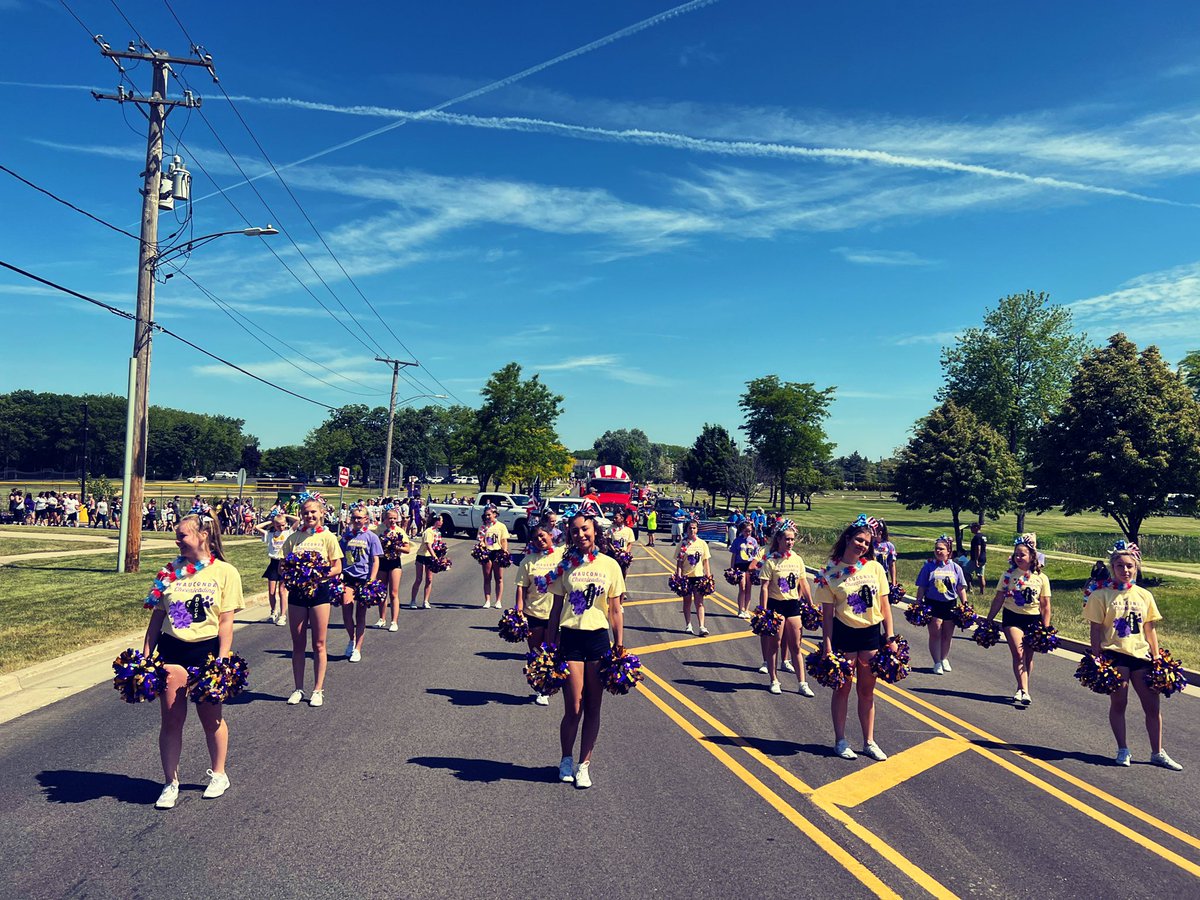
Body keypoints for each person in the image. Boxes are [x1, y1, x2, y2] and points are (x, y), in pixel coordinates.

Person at [141, 513, 244, 808]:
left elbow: (226, 622)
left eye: (182, 535)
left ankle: (219, 774)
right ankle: (170, 782)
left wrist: (222, 661)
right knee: (171, 719)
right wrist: (146, 656)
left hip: (206, 652)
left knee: (211, 718)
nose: (177, 540)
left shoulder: (225, 572)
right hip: (173, 650)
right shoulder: (168, 572)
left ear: (202, 536)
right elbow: (157, 617)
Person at [1084, 542, 1182, 770]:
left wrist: (1156, 657)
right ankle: (1123, 749)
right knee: (1120, 703)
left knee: (1152, 707)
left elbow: (1150, 628)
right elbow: (1096, 629)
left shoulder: (1144, 595)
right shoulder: (1100, 596)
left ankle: (1157, 752)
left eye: (1129, 566)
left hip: (1142, 657)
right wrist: (1097, 658)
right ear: (1112, 568)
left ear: (1136, 567)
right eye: (1120, 566)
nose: (1125, 570)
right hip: (1115, 655)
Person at [547, 511, 627, 789]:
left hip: (597, 641)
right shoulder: (565, 565)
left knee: (594, 706)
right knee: (574, 707)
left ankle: (584, 765)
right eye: (575, 531)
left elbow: (615, 609)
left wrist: (619, 646)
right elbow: (556, 610)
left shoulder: (610, 565)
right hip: (570, 639)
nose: (580, 535)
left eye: (585, 529)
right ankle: (566, 759)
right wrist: (548, 646)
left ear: (596, 531)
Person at [815, 516, 897, 762]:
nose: (862, 545)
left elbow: (885, 605)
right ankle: (840, 741)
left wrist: (890, 636)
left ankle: (869, 741)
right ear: (848, 538)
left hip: (871, 634)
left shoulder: (874, 567)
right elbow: (827, 616)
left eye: (867, 543)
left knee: (867, 691)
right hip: (845, 634)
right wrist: (828, 646)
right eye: (859, 540)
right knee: (842, 690)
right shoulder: (829, 572)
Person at [283, 498, 344, 707]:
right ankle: (298, 688)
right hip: (297, 595)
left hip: (320, 592)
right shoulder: (293, 538)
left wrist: (317, 574)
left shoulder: (328, 537)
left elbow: (337, 567)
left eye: (313, 513)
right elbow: (283, 566)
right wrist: (293, 574)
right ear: (301, 514)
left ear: (322, 514)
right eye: (306, 512)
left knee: (319, 643)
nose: (310, 516)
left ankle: (318, 689)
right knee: (298, 643)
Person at [982, 535, 1052, 706]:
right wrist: (989, 619)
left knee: (1028, 657)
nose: (1019, 558)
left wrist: (1046, 628)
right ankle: (1024, 691)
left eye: (1022, 555)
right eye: (1016, 554)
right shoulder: (1008, 575)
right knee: (1018, 653)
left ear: (1031, 557)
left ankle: (1021, 687)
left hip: (1033, 619)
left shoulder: (1041, 578)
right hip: (1012, 617)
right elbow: (998, 599)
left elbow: (1045, 605)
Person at [757, 523, 816, 697]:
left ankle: (802, 683)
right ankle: (774, 680)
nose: (790, 542)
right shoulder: (771, 561)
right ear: (779, 540)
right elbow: (765, 587)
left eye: (792, 539)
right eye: (787, 539)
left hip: (792, 605)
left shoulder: (797, 559)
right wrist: (764, 610)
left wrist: (811, 604)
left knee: (796, 646)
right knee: (774, 644)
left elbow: (803, 582)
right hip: (776, 606)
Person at [514, 524, 566, 705]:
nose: (540, 540)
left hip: (556, 615)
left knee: (553, 653)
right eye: (536, 538)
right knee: (536, 654)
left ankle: (550, 685)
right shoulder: (528, 561)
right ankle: (541, 689)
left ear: (551, 535)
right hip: (534, 613)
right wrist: (519, 611)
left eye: (543, 536)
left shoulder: (561, 554)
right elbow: (521, 587)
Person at [914, 535, 968, 675]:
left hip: (950, 604)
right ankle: (936, 661)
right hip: (933, 603)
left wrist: (965, 604)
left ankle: (944, 658)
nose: (938, 551)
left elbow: (960, 588)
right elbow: (922, 587)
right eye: (936, 549)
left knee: (947, 634)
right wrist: (918, 602)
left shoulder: (956, 568)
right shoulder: (928, 567)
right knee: (935, 632)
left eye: (941, 549)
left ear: (949, 552)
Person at [339, 505, 382, 662]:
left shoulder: (372, 537)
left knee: (360, 615)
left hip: (364, 579)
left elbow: (376, 560)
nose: (356, 520)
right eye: (354, 517)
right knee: (346, 607)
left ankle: (357, 648)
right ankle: (352, 639)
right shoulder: (347, 536)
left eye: (359, 518)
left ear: (366, 520)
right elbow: (339, 555)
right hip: (348, 577)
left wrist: (372, 579)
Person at [255, 512, 299, 625]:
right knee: (271, 591)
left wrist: (286, 516)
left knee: (282, 591)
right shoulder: (270, 534)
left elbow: (297, 520)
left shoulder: (288, 532)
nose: (281, 527)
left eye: (283, 525)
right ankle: (273, 611)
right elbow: (257, 527)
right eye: (278, 525)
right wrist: (271, 521)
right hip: (273, 563)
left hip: (284, 562)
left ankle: (283, 615)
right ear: (274, 525)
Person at [374, 506, 412, 632]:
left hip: (395, 561)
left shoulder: (400, 531)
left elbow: (407, 549)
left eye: (395, 518)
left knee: (394, 592)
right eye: (390, 518)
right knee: (382, 591)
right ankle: (381, 618)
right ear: (385, 518)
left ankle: (394, 621)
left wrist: (396, 547)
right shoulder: (378, 529)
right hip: (382, 561)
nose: (392, 521)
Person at [675, 519, 712, 635]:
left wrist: (708, 575)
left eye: (694, 528)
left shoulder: (702, 543)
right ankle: (688, 625)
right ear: (686, 529)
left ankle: (702, 626)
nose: (692, 530)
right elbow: (679, 562)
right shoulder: (682, 544)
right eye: (690, 528)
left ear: (697, 529)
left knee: (699, 602)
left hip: (699, 576)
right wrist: (679, 576)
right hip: (686, 577)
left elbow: (706, 561)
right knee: (687, 602)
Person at [477, 506, 511, 609]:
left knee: (499, 578)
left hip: (497, 552)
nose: (487, 517)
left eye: (489, 515)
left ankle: (498, 601)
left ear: (495, 514)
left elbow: (504, 540)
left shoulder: (501, 526)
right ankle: (487, 600)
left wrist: (504, 552)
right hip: (487, 552)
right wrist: (481, 547)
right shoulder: (483, 527)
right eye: (486, 515)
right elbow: (481, 540)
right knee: (487, 577)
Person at [409, 517, 443, 609]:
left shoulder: (437, 532)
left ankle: (426, 601)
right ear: (436, 521)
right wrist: (435, 557)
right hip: (422, 556)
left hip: (430, 557)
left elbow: (438, 546)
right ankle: (413, 600)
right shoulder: (429, 531)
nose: (442, 522)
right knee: (419, 579)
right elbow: (428, 545)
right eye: (441, 520)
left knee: (429, 579)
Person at [728, 521, 760, 619]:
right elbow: (734, 555)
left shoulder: (753, 541)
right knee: (742, 587)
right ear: (742, 530)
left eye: (750, 531)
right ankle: (740, 609)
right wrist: (732, 569)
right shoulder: (737, 541)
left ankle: (746, 609)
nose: (748, 533)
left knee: (748, 588)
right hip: (739, 565)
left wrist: (756, 567)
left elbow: (756, 555)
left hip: (749, 565)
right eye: (746, 531)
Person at [872, 520, 898, 587]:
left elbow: (892, 565)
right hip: (870, 574)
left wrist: (893, 583)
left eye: (873, 532)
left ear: (880, 532)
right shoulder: (869, 544)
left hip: (883, 575)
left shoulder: (889, 546)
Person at [966, 522, 988, 595]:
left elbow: (978, 548)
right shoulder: (983, 536)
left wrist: (976, 560)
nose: (970, 529)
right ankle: (982, 592)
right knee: (980, 575)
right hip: (983, 558)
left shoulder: (977, 537)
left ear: (976, 528)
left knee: (965, 572)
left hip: (976, 559)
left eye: (972, 527)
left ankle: (969, 588)